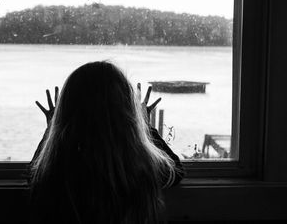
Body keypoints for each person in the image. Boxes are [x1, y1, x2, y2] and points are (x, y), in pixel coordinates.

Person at [28, 61, 185, 224]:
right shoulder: (136, 167)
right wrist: (145, 125)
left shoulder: (63, 167)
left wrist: (51, 130)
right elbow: (176, 171)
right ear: (128, 113)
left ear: (65, 112)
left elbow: (34, 178)